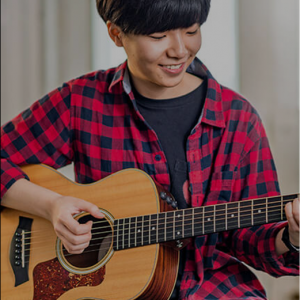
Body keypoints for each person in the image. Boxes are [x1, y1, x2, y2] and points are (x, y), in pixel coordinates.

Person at [1, 0, 299, 299]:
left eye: (192, 30)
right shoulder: (80, 101)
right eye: (159, 37)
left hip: (212, 286)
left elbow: (254, 239)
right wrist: (51, 205)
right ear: (116, 34)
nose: (180, 50)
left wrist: (292, 236)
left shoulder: (238, 117)